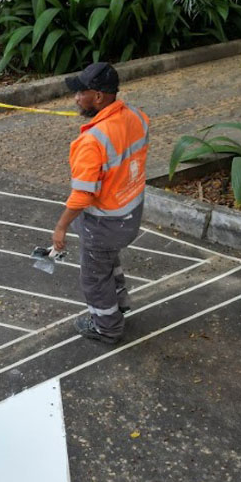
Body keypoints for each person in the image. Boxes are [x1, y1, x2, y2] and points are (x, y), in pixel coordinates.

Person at [51, 62, 149, 345]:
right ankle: (120, 303)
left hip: (104, 223)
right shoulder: (136, 116)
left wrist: (61, 227)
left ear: (98, 97)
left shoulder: (92, 141)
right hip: (130, 213)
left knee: (94, 279)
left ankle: (107, 326)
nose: (76, 98)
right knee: (107, 262)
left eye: (81, 92)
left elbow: (83, 195)